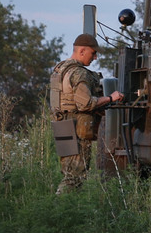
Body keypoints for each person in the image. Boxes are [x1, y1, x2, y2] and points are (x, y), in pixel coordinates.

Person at [50, 33, 124, 194]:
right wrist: (111, 97)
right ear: (82, 51)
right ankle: (59, 208)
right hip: (76, 128)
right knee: (75, 177)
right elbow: (86, 104)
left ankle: (63, 210)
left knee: (68, 173)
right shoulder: (79, 73)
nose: (95, 58)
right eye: (93, 53)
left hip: (62, 125)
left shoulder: (60, 69)